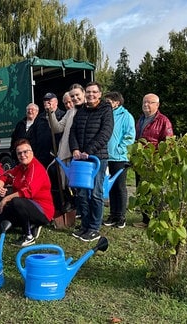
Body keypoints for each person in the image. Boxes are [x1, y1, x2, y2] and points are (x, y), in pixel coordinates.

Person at [69, 82, 113, 242]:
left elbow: (105, 133)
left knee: (95, 193)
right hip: (81, 159)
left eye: (94, 92)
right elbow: (73, 131)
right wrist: (74, 148)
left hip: (97, 158)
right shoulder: (80, 111)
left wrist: (89, 150)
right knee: (81, 193)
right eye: (88, 92)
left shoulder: (106, 110)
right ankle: (85, 225)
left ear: (100, 94)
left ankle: (94, 227)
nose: (91, 95)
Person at [0, 139, 54, 247]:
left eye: (25, 152)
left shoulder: (36, 167)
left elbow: (28, 192)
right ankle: (33, 224)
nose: (22, 155)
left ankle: (28, 235)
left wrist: (6, 199)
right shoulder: (20, 168)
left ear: (32, 152)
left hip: (42, 209)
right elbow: (5, 176)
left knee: (16, 202)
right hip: (26, 207)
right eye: (19, 153)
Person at [133, 93, 174, 228]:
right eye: (144, 102)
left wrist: (159, 159)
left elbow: (168, 143)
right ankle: (146, 220)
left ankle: (157, 220)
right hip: (141, 161)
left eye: (150, 102)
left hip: (154, 162)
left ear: (157, 105)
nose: (146, 105)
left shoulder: (163, 121)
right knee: (143, 190)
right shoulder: (141, 120)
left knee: (155, 192)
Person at [46, 87, 83, 211]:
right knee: (61, 179)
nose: (68, 105)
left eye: (70, 102)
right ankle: (69, 202)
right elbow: (57, 128)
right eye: (66, 102)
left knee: (75, 183)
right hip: (64, 152)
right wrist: (51, 113)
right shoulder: (69, 113)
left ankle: (76, 206)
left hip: (77, 153)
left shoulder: (84, 111)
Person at [102, 92, 135, 229]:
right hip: (106, 156)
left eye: (109, 101)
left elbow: (130, 135)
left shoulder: (126, 116)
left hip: (119, 158)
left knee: (120, 187)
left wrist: (119, 148)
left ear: (117, 102)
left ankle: (121, 216)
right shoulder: (106, 114)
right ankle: (113, 214)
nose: (106, 103)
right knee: (111, 187)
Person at [10, 103, 52, 168]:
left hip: (36, 158)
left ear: (37, 112)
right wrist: (13, 153)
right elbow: (14, 139)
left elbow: (43, 142)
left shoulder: (42, 123)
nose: (30, 111)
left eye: (32, 109)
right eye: (28, 110)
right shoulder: (20, 124)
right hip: (21, 158)